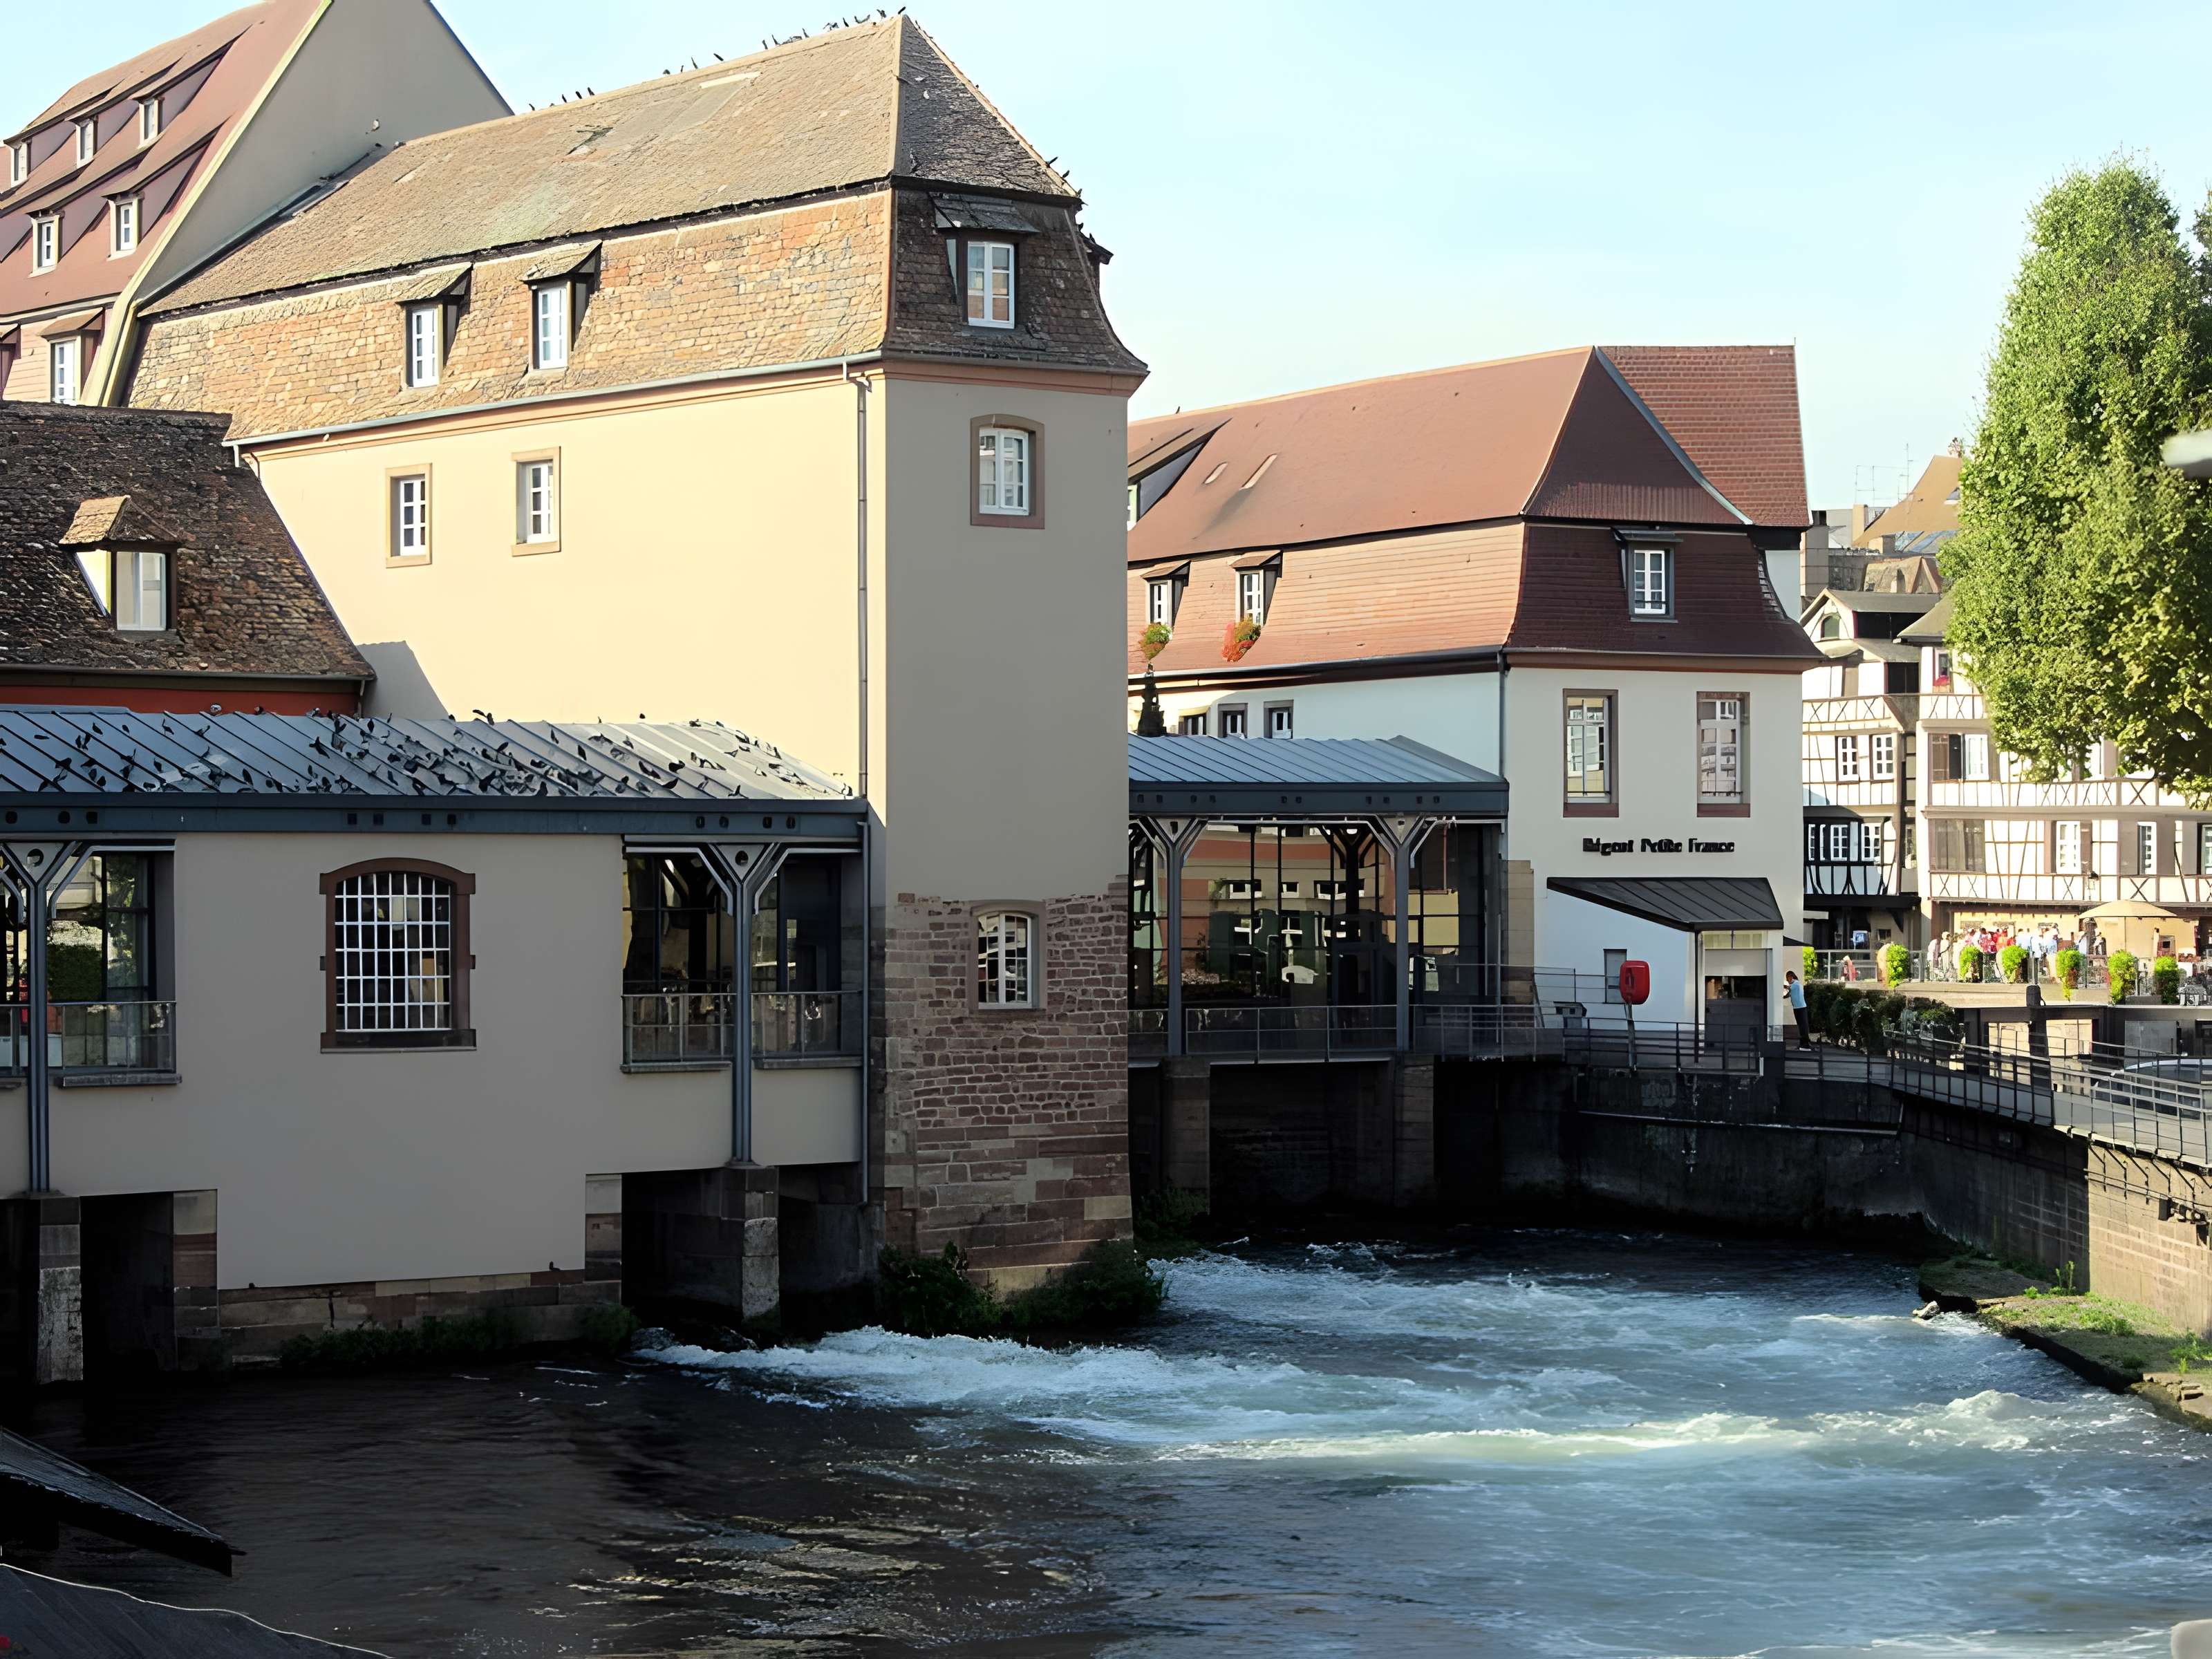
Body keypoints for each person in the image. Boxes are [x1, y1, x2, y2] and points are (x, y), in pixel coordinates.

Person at [1786, 970, 1808, 1045]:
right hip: (1797, 1008)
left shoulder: (1796, 984)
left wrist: (1781, 985)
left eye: (1787, 978)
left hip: (1801, 1008)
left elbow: (1788, 988)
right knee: (1801, 1026)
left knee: (1803, 1026)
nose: (1787, 980)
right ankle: (1803, 1043)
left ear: (1791, 977)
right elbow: (1788, 994)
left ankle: (1806, 1043)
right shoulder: (1794, 986)